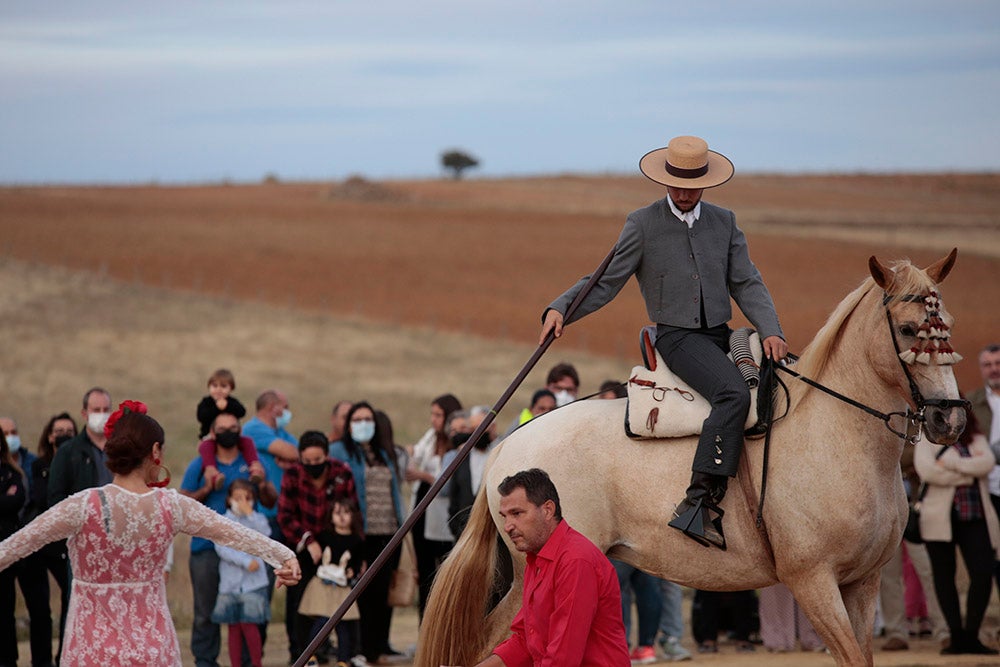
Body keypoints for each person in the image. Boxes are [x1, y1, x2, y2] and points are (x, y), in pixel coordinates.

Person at [539, 135, 787, 549]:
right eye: (678, 184)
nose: (685, 192)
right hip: (676, 338)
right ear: (665, 181)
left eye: (693, 184)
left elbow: (746, 281)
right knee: (732, 395)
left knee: (779, 389)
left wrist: (771, 329)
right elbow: (606, 280)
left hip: (721, 335)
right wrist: (562, 307)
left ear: (706, 183)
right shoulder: (643, 223)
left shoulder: (724, 222)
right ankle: (698, 503)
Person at [0, 400, 301, 667]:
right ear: (155, 451)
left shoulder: (83, 505)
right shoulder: (172, 505)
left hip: (90, 648)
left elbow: (17, 545)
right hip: (153, 646)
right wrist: (284, 555)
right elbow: (233, 533)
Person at [474, 468, 629, 666]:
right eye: (505, 516)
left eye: (517, 513)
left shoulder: (575, 560)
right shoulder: (536, 558)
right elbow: (525, 640)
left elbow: (563, 658)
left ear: (548, 510)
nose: (507, 526)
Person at [181, 411, 281, 667]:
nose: (228, 432)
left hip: (248, 549)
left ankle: (250, 663)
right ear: (213, 434)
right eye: (222, 428)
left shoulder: (253, 462)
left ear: (240, 432)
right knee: (205, 612)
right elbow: (181, 503)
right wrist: (207, 488)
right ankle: (205, 661)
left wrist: (264, 483)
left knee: (253, 611)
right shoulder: (201, 465)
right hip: (206, 546)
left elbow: (271, 501)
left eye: (234, 427)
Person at [914, 408, 1000, 655]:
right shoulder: (928, 436)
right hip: (939, 518)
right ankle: (956, 637)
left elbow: (987, 463)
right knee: (943, 577)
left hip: (975, 515)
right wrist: (967, 474)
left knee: (983, 572)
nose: (952, 416)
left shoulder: (975, 436)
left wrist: (952, 464)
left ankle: (971, 635)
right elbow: (927, 470)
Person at [329, 402, 405, 664]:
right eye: (358, 419)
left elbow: (394, 492)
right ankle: (356, 650)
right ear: (349, 424)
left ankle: (374, 650)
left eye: (368, 419)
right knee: (359, 593)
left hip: (389, 532)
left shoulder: (382, 453)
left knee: (381, 594)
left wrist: (402, 525)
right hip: (361, 532)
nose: (364, 424)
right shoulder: (338, 451)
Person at [277, 430, 358, 659]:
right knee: (300, 604)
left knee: (334, 602)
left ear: (327, 456)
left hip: (336, 547)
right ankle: (299, 653)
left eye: (318, 461)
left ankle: (330, 650)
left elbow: (352, 511)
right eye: (308, 461)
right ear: (301, 458)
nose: (313, 465)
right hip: (300, 547)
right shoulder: (292, 474)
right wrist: (308, 540)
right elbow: (285, 516)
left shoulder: (342, 473)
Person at [0, 415, 55, 667]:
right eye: (6, 433)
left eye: (14, 431)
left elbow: (30, 498)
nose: (11, 437)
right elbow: (12, 499)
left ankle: (41, 662)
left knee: (40, 610)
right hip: (4, 549)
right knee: (4, 612)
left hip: (31, 548)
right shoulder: (9, 472)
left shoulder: (29, 464)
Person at [406, 393, 462, 618]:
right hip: (423, 512)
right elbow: (416, 452)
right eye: (432, 414)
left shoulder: (456, 444)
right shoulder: (431, 437)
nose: (433, 420)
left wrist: (423, 475)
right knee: (425, 575)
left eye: (438, 415)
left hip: (444, 517)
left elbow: (446, 482)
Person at [29, 412, 77, 659]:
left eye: (69, 431)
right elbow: (43, 498)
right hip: (45, 543)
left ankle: (65, 657)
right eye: (59, 431)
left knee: (71, 605)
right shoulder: (40, 465)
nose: (64, 436)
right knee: (39, 608)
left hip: (67, 544)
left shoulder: (79, 464)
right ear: (49, 436)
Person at [298, 496, 366, 667]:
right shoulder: (324, 536)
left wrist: (353, 571)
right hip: (323, 585)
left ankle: (343, 660)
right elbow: (314, 558)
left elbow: (358, 562)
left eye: (346, 513)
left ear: (353, 516)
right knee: (321, 622)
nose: (342, 517)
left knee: (342, 625)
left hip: (342, 588)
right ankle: (310, 656)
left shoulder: (357, 540)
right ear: (331, 516)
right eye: (337, 513)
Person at [212, 479, 272, 667]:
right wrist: (246, 562)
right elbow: (222, 548)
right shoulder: (223, 521)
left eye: (248, 498)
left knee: (250, 623)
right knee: (233, 627)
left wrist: (251, 515)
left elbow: (266, 536)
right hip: (231, 584)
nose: (243, 502)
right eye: (238, 498)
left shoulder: (257, 519)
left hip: (253, 584)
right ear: (229, 499)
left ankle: (256, 663)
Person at [243, 390, 300, 538]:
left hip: (284, 511)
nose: (287, 412)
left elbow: (304, 454)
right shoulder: (253, 429)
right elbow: (292, 453)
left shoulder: (281, 433)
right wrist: (290, 456)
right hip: (264, 512)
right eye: (285, 407)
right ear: (273, 408)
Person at [196, 368, 264, 491]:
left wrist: (227, 405)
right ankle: (214, 474)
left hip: (233, 437)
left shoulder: (232, 402)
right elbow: (201, 416)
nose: (218, 389)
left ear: (231, 388)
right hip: (210, 437)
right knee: (206, 447)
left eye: (223, 386)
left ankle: (255, 468)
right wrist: (216, 408)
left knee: (247, 442)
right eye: (214, 385)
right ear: (209, 387)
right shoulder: (206, 402)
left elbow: (242, 412)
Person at [968, 343, 1000, 596]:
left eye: (998, 364)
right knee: (986, 563)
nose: (994, 370)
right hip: (985, 491)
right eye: (988, 365)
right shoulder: (971, 403)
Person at [47, 386, 113, 506]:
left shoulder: (122, 448)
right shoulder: (68, 451)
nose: (102, 415)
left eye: (106, 410)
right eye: (96, 410)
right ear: (84, 413)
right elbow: (56, 495)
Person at [444, 406, 499, 537]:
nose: (477, 434)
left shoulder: (502, 453)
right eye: (473, 429)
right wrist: (455, 527)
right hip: (464, 534)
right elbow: (454, 495)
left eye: (481, 428)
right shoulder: (462, 456)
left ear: (493, 427)